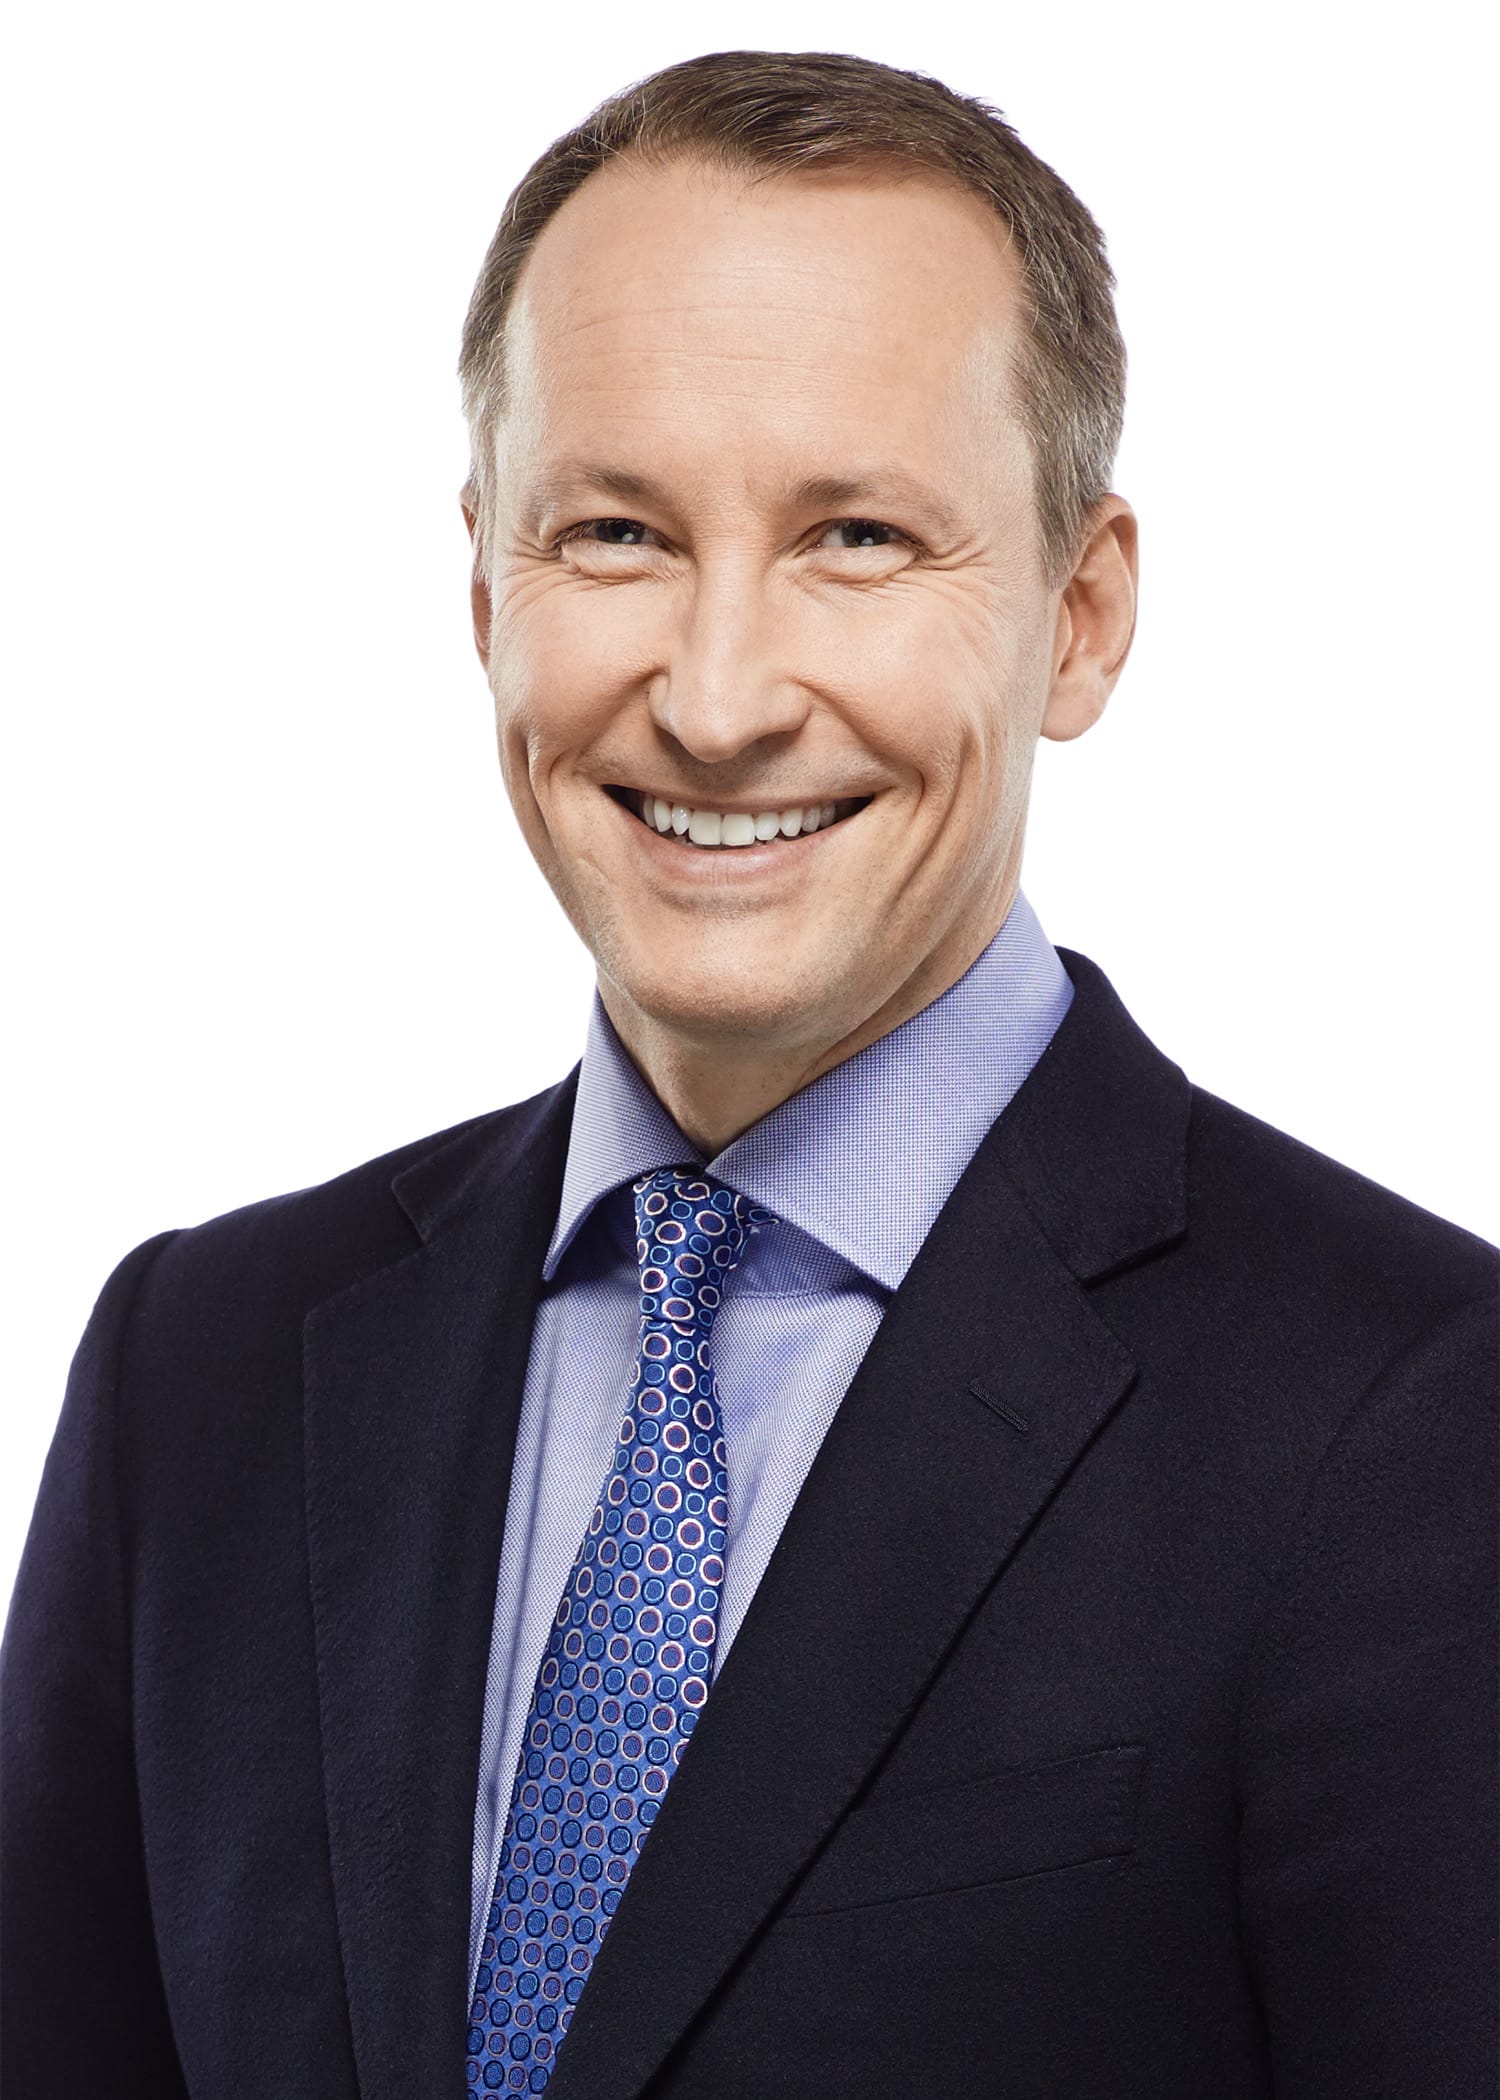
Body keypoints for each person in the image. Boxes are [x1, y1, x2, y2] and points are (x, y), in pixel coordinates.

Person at [2, 46, 1494, 2100]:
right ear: (484, 590)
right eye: (616, 533)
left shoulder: (1418, 1422)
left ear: (1079, 616)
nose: (714, 700)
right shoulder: (202, 1374)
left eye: (858, 538)